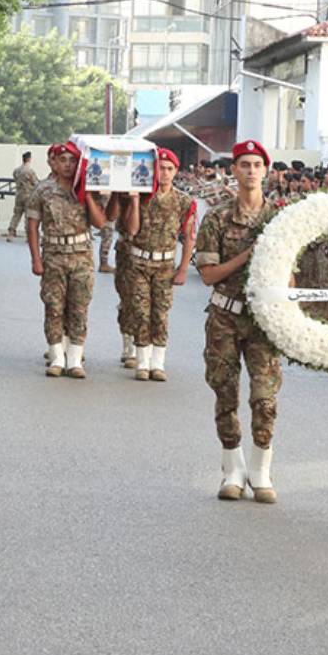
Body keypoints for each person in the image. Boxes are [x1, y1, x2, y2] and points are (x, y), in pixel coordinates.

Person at [195, 141, 281, 504]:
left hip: (263, 319)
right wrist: (250, 254)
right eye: (243, 165)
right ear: (234, 170)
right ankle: (233, 468)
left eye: (256, 165)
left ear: (266, 170)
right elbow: (209, 274)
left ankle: (261, 470)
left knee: (265, 398)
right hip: (225, 316)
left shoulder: (281, 218)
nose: (249, 171)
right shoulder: (216, 217)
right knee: (225, 392)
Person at [115, 148, 195, 382]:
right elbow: (132, 229)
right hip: (139, 261)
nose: (165, 173)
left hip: (165, 265)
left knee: (160, 313)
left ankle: (157, 362)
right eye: (161, 168)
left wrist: (182, 269)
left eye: (170, 169)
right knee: (141, 311)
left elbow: (188, 236)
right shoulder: (141, 195)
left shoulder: (183, 200)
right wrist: (135, 201)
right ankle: (142, 361)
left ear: (176, 171)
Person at [26, 142, 105, 378]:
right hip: (53, 256)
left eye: (72, 161)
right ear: (55, 163)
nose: (68, 165)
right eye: (63, 160)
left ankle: (74, 359)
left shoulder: (88, 189)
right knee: (54, 307)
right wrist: (36, 260)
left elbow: (100, 223)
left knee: (79, 307)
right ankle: (57, 356)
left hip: (81, 256)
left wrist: (88, 196)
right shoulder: (43, 190)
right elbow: (32, 226)